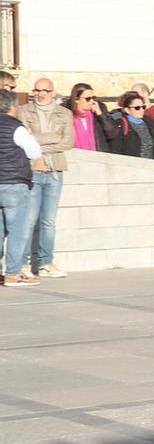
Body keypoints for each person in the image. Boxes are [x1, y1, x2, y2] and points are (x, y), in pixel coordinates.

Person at [19, 78, 72, 278]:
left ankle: (45, 262)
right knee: (29, 219)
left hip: (55, 171)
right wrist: (52, 137)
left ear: (52, 92)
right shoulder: (24, 111)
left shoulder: (64, 113)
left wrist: (38, 142)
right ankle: (22, 264)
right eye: (37, 90)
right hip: (33, 170)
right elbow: (24, 139)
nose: (41, 94)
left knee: (49, 221)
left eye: (46, 90)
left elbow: (68, 142)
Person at [0, 89, 44, 288]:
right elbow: (34, 150)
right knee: (17, 230)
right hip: (14, 184)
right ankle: (13, 273)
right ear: (12, 106)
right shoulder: (15, 128)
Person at [103, 92, 154, 159]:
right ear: (127, 110)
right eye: (137, 108)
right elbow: (115, 149)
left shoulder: (150, 122)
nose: (141, 110)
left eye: (143, 107)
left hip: (151, 165)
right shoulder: (120, 124)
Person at [68, 83, 105, 154]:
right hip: (75, 158)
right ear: (76, 99)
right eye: (88, 99)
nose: (92, 101)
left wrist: (101, 115)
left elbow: (112, 133)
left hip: (97, 157)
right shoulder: (67, 116)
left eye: (93, 98)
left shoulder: (97, 113)